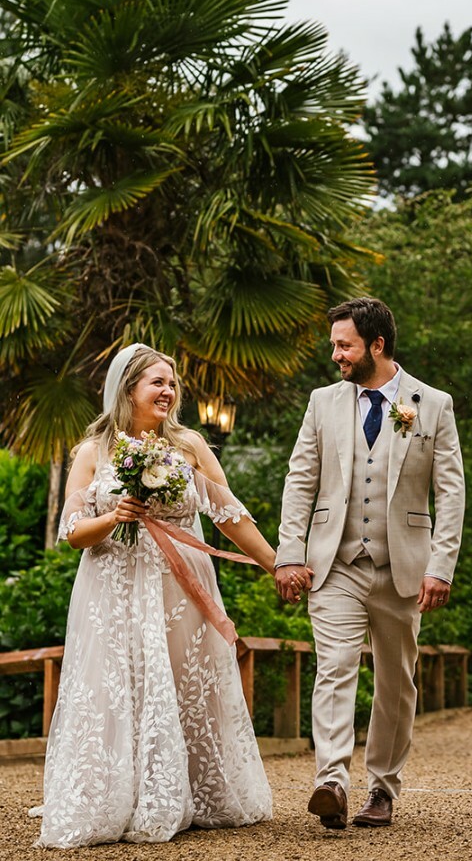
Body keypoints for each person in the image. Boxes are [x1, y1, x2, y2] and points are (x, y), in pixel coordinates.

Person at [33, 343, 278, 848]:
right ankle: (116, 794)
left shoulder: (190, 446)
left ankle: (190, 792)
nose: (168, 392)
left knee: (184, 683)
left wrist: (278, 564)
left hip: (179, 588)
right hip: (113, 589)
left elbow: (230, 516)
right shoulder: (93, 452)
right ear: (128, 389)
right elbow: (72, 532)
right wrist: (114, 516)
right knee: (118, 685)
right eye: (157, 383)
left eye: (172, 384)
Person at [275, 298, 465, 829]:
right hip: (334, 562)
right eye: (335, 344)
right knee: (334, 668)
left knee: (396, 683)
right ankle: (331, 782)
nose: (336, 354)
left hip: (404, 566)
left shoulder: (433, 404)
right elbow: (300, 480)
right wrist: (289, 554)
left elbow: (451, 492)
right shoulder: (322, 402)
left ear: (376, 345)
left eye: (345, 345)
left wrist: (441, 566)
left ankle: (382, 787)